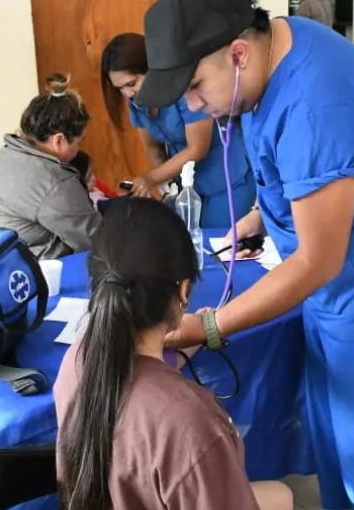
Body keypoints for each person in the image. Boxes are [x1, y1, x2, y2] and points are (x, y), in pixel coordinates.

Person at [138, 0, 354, 509]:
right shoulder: (280, 44)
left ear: (238, 53)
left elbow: (317, 259)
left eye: (196, 87)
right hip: (338, 292)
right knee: (333, 439)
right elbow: (312, 177)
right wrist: (266, 215)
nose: (195, 106)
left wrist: (211, 326)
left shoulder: (315, 101)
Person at [53, 197, 293, 510]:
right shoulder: (189, 420)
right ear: (183, 290)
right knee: (282, 495)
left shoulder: (78, 357)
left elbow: (139, 377)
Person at [101, 33, 255, 228]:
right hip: (185, 185)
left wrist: (150, 178)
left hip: (226, 178)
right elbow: (153, 148)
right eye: (120, 88)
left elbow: (198, 148)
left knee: (221, 244)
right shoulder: (136, 101)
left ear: (152, 68)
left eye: (132, 83)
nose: (128, 93)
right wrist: (166, 186)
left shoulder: (182, 89)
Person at [0, 73, 100, 259]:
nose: (79, 149)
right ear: (59, 141)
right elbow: (96, 239)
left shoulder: (8, 155)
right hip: (33, 272)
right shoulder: (53, 179)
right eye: (79, 142)